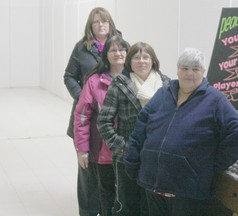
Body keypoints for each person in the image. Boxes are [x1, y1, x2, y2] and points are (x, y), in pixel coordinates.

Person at [124, 48, 238, 216]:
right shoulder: (163, 93)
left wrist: (211, 165)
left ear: (203, 72)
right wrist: (132, 160)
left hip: (187, 191)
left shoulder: (215, 99)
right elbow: (140, 128)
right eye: (185, 68)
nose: (189, 73)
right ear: (177, 70)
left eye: (195, 69)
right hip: (153, 185)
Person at [97, 42, 170, 216]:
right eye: (137, 57)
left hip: (157, 157)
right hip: (127, 157)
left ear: (153, 61)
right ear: (129, 61)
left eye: (146, 57)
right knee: (127, 205)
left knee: (153, 206)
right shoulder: (120, 84)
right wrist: (122, 147)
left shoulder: (167, 85)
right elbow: (103, 122)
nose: (142, 61)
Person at [64, 7, 121, 216]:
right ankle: (89, 211)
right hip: (86, 120)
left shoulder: (121, 46)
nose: (101, 25)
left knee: (112, 171)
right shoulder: (81, 49)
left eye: (104, 21)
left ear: (110, 23)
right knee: (88, 169)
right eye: (96, 22)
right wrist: (83, 97)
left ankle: (111, 209)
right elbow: (69, 76)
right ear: (90, 25)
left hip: (115, 122)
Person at [74, 36, 129, 216]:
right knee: (106, 196)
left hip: (130, 151)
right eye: (112, 50)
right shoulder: (94, 81)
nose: (118, 54)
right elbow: (82, 116)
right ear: (106, 55)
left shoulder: (135, 79)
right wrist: (82, 149)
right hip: (104, 153)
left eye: (121, 49)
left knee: (128, 198)